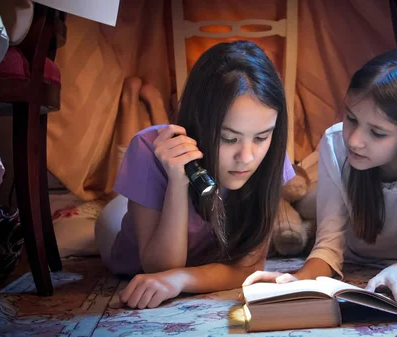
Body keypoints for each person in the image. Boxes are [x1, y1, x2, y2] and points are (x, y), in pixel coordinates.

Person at [243, 49, 397, 306]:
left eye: (377, 133)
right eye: (351, 119)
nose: (354, 140)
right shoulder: (335, 143)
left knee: (305, 204)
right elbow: (329, 246)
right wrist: (298, 279)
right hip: (352, 250)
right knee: (303, 201)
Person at [95, 40, 295, 309]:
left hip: (200, 242)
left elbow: (250, 266)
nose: (247, 157)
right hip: (119, 227)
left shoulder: (271, 156)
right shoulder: (146, 149)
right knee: (115, 208)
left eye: (261, 137)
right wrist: (178, 181)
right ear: (201, 123)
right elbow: (160, 269)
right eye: (228, 138)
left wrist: (182, 279)